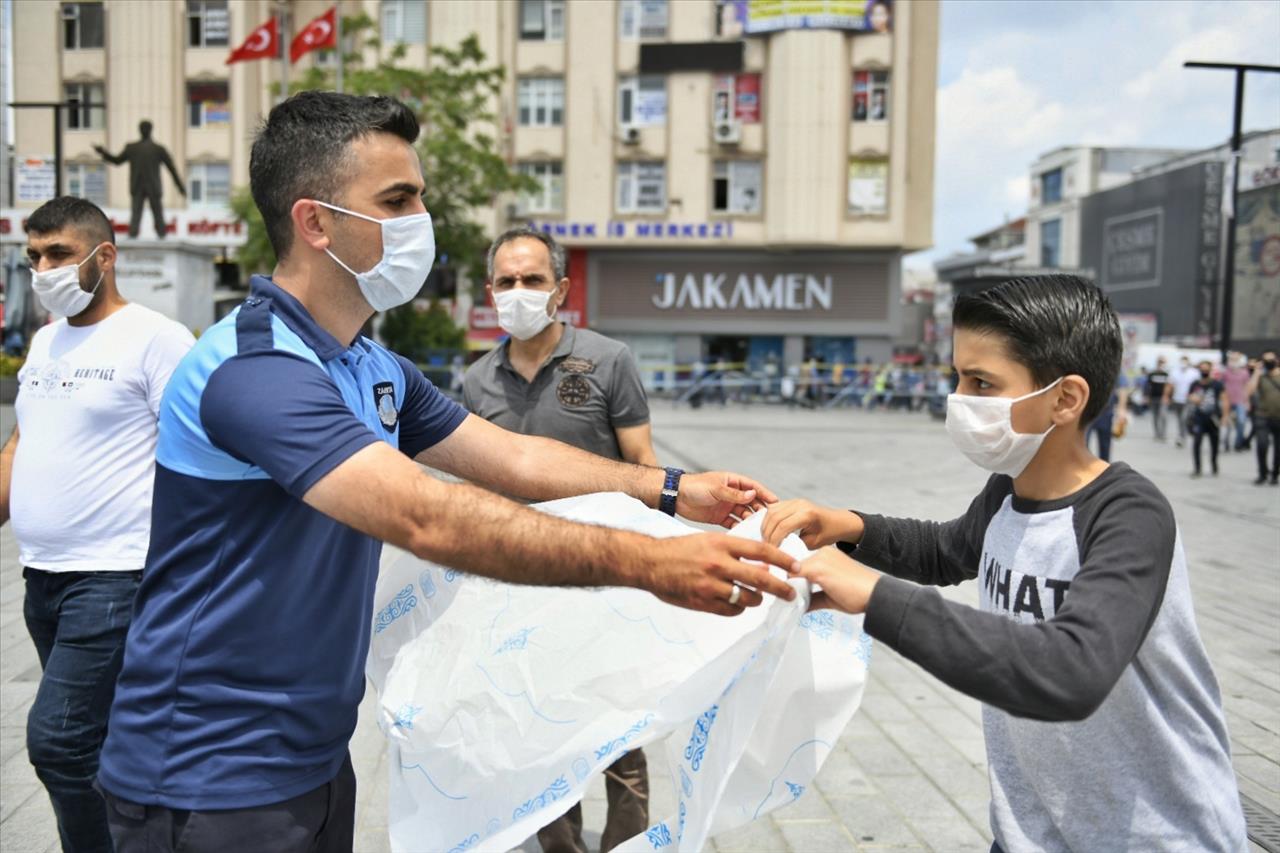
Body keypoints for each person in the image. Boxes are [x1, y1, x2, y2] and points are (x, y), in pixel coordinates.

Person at [91, 92, 798, 853]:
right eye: (398, 200)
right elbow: (424, 514)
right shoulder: (255, 367)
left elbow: (512, 456)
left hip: (313, 760)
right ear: (316, 222)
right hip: (203, 775)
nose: (422, 219)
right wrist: (652, 561)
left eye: (419, 196)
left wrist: (668, 488)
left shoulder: (368, 361)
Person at [757, 275, 1246, 851]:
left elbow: (1073, 671)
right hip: (1031, 832)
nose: (959, 400)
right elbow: (947, 551)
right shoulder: (1006, 493)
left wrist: (877, 597)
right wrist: (848, 527)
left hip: (1155, 838)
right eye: (957, 378)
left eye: (981, 382)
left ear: (1065, 399)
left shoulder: (1128, 514)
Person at [0, 196, 194, 852]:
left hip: (115, 576)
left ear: (103, 256)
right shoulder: (46, 340)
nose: (43, 268)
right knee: (100, 741)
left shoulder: (157, 337)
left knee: (57, 741)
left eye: (57, 253)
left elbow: (192, 455)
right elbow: (19, 444)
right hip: (41, 580)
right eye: (34, 257)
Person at [464, 228, 657, 853]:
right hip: (517, 585)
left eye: (533, 280)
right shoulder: (475, 381)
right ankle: (559, 845)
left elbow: (644, 465)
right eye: (507, 282)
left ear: (561, 288)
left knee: (620, 728)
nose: (519, 292)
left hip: (605, 575)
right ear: (490, 291)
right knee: (538, 733)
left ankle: (626, 844)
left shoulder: (607, 360)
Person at [94, 121, 186, 240]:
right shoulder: (133, 148)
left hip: (152, 186)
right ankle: (134, 236)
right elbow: (117, 160)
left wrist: (180, 187)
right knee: (136, 214)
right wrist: (104, 153)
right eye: (142, 128)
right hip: (139, 186)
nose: (144, 130)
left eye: (145, 128)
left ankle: (161, 235)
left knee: (157, 214)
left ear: (149, 130)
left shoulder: (158, 149)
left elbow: (171, 168)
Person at [1187, 359, 1228, 478]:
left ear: (1210, 370)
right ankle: (1197, 468)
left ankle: (1214, 464)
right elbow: (1190, 397)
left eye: (1206, 369)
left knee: (1214, 444)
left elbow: (1224, 399)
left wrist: (1225, 416)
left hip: (1213, 418)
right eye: (1202, 368)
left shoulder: (1217, 384)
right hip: (1198, 418)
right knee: (1197, 443)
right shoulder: (1195, 384)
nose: (1204, 371)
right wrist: (1193, 399)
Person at [1248, 350, 1280, 485]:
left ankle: (1274, 474)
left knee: (1278, 449)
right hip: (1262, 416)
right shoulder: (1260, 376)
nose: (1269, 363)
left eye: (1271, 360)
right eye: (1266, 360)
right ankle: (1262, 473)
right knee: (1262, 445)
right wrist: (1257, 372)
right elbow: (1249, 391)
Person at [1164, 355, 1199, 447]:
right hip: (1177, 399)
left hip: (1188, 400)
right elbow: (1169, 385)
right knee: (1180, 419)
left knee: (1184, 418)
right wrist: (1166, 396)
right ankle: (1181, 435)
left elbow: (1198, 386)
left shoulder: (1194, 373)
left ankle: (1182, 437)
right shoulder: (1174, 372)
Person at [1220, 352, 1251, 452]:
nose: (1233, 361)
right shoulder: (1225, 372)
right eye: (1232, 359)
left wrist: (1247, 401)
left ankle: (1238, 443)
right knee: (1227, 422)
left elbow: (1247, 387)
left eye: (1236, 359)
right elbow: (1221, 386)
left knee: (1241, 421)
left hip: (1240, 400)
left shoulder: (1245, 373)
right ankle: (1226, 443)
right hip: (1227, 400)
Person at [1146, 356, 1170, 440]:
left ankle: (1163, 434)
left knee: (1163, 415)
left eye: (1162, 362)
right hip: (1153, 397)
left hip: (1163, 398)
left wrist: (1168, 397)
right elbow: (1148, 386)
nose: (1161, 364)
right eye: (1160, 362)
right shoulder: (1152, 374)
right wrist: (1147, 397)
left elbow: (1169, 386)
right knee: (1155, 416)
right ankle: (1157, 434)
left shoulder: (1167, 374)